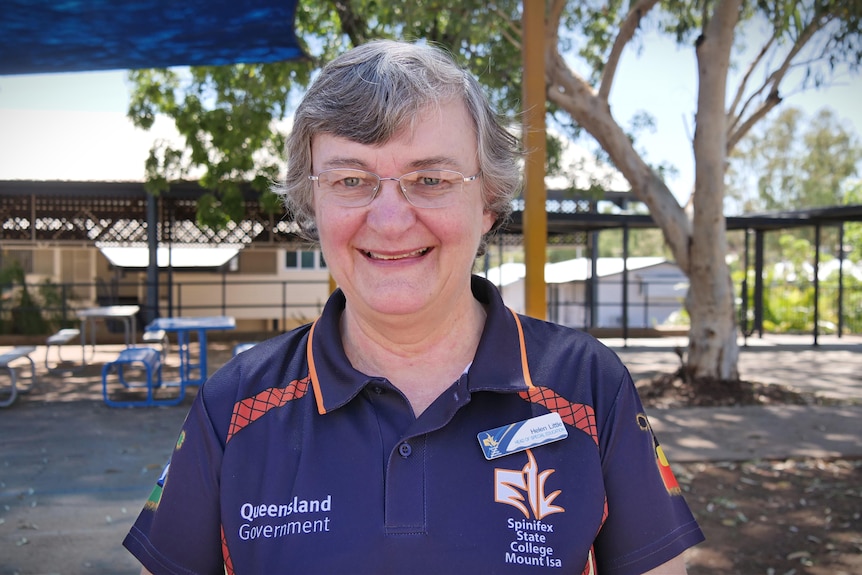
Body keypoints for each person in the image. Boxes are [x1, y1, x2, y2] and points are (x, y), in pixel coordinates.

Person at [123, 39, 704, 574]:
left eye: (430, 178)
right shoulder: (235, 406)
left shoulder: (588, 386)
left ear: (489, 202)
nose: (392, 219)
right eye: (351, 181)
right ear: (312, 204)